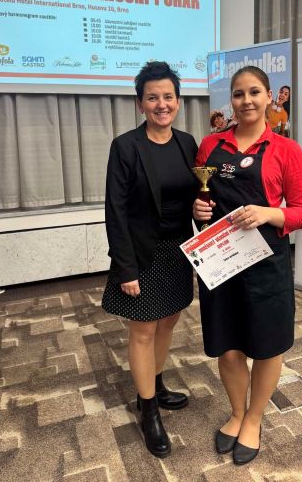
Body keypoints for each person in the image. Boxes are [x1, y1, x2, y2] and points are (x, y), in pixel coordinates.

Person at [193, 66, 302, 465]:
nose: (246, 100)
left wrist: (268, 213)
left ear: (268, 97)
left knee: (266, 346)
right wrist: (198, 210)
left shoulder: (286, 149)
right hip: (220, 263)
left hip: (266, 265)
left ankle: (254, 418)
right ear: (231, 99)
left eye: (254, 92)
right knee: (227, 348)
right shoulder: (210, 145)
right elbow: (203, 201)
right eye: (239, 93)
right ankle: (236, 412)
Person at [102, 61, 198, 458]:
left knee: (169, 320)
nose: (162, 104)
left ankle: (156, 386)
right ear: (140, 103)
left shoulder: (188, 143)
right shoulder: (126, 146)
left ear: (178, 101)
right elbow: (115, 210)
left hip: (178, 250)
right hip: (143, 253)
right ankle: (148, 410)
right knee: (143, 330)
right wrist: (125, 267)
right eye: (153, 97)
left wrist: (200, 209)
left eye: (168, 97)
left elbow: (193, 194)